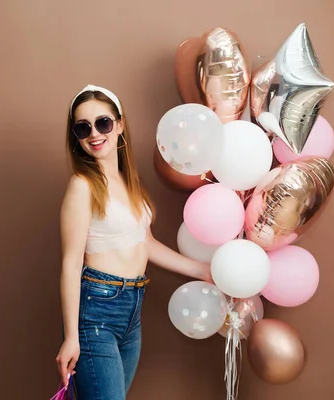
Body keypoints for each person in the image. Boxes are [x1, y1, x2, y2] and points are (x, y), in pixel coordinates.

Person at [55, 84, 213, 400]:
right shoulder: (83, 185)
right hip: (97, 312)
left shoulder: (128, 183)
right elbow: (71, 263)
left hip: (132, 312)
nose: (94, 134)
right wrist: (71, 336)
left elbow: (146, 243)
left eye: (103, 123)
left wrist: (205, 270)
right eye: (83, 128)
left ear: (120, 124)